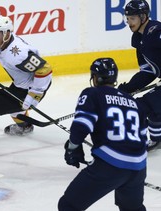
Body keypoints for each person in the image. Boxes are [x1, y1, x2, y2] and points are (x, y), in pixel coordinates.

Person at [58, 58, 148, 211]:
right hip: (138, 167)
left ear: (95, 77)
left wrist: (73, 147)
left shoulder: (93, 93)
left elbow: (81, 125)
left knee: (69, 206)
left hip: (110, 164)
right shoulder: (134, 102)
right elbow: (142, 137)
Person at [0, 15, 52, 136]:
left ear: (7, 34)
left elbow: (44, 69)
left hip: (31, 89)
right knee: (14, 108)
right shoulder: (0, 42)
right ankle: (25, 126)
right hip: (20, 86)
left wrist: (35, 94)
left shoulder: (18, 54)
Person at [117, 0, 161, 151]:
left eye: (133, 18)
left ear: (143, 17)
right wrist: (129, 88)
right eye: (127, 18)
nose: (129, 22)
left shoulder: (157, 31)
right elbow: (148, 71)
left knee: (144, 105)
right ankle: (157, 139)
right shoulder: (137, 38)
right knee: (153, 106)